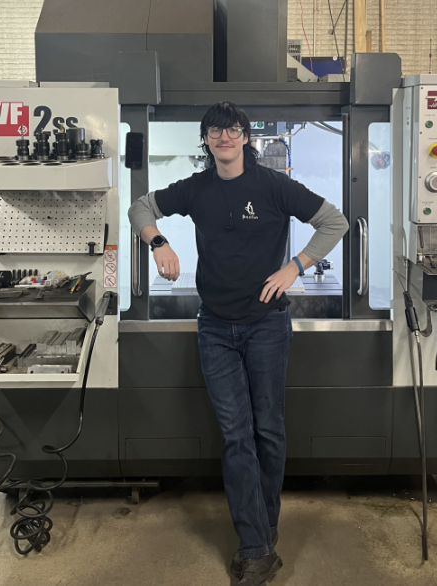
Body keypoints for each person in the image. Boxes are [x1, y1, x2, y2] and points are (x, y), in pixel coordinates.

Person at [128, 102, 348, 586]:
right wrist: (158, 242)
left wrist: (296, 266)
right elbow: (139, 206)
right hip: (215, 329)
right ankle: (256, 548)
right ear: (205, 140)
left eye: (232, 129)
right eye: (214, 131)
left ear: (245, 138)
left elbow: (336, 222)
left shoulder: (273, 186)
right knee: (236, 436)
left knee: (267, 431)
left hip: (267, 325)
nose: (224, 137)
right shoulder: (197, 188)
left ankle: (261, 538)